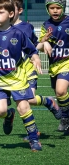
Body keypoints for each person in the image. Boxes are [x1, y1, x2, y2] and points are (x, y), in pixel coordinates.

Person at [0, 0, 43, 151]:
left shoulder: (18, 33)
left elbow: (31, 50)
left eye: (0, 13)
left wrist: (36, 59)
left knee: (24, 107)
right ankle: (9, 115)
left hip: (18, 78)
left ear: (11, 14)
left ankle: (34, 139)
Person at [12, 0, 61, 141]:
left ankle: (34, 131)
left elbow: (34, 46)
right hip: (13, 73)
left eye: (11, 8)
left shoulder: (27, 27)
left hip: (29, 68)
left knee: (26, 100)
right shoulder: (4, 28)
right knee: (25, 102)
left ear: (19, 10)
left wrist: (43, 42)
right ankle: (47, 102)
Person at [38, 0, 69, 134]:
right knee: (59, 94)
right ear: (47, 9)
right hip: (54, 66)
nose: (55, 10)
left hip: (67, 62)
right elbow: (38, 46)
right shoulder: (46, 25)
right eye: (52, 8)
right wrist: (44, 41)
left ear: (63, 8)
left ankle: (65, 118)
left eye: (58, 8)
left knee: (61, 91)